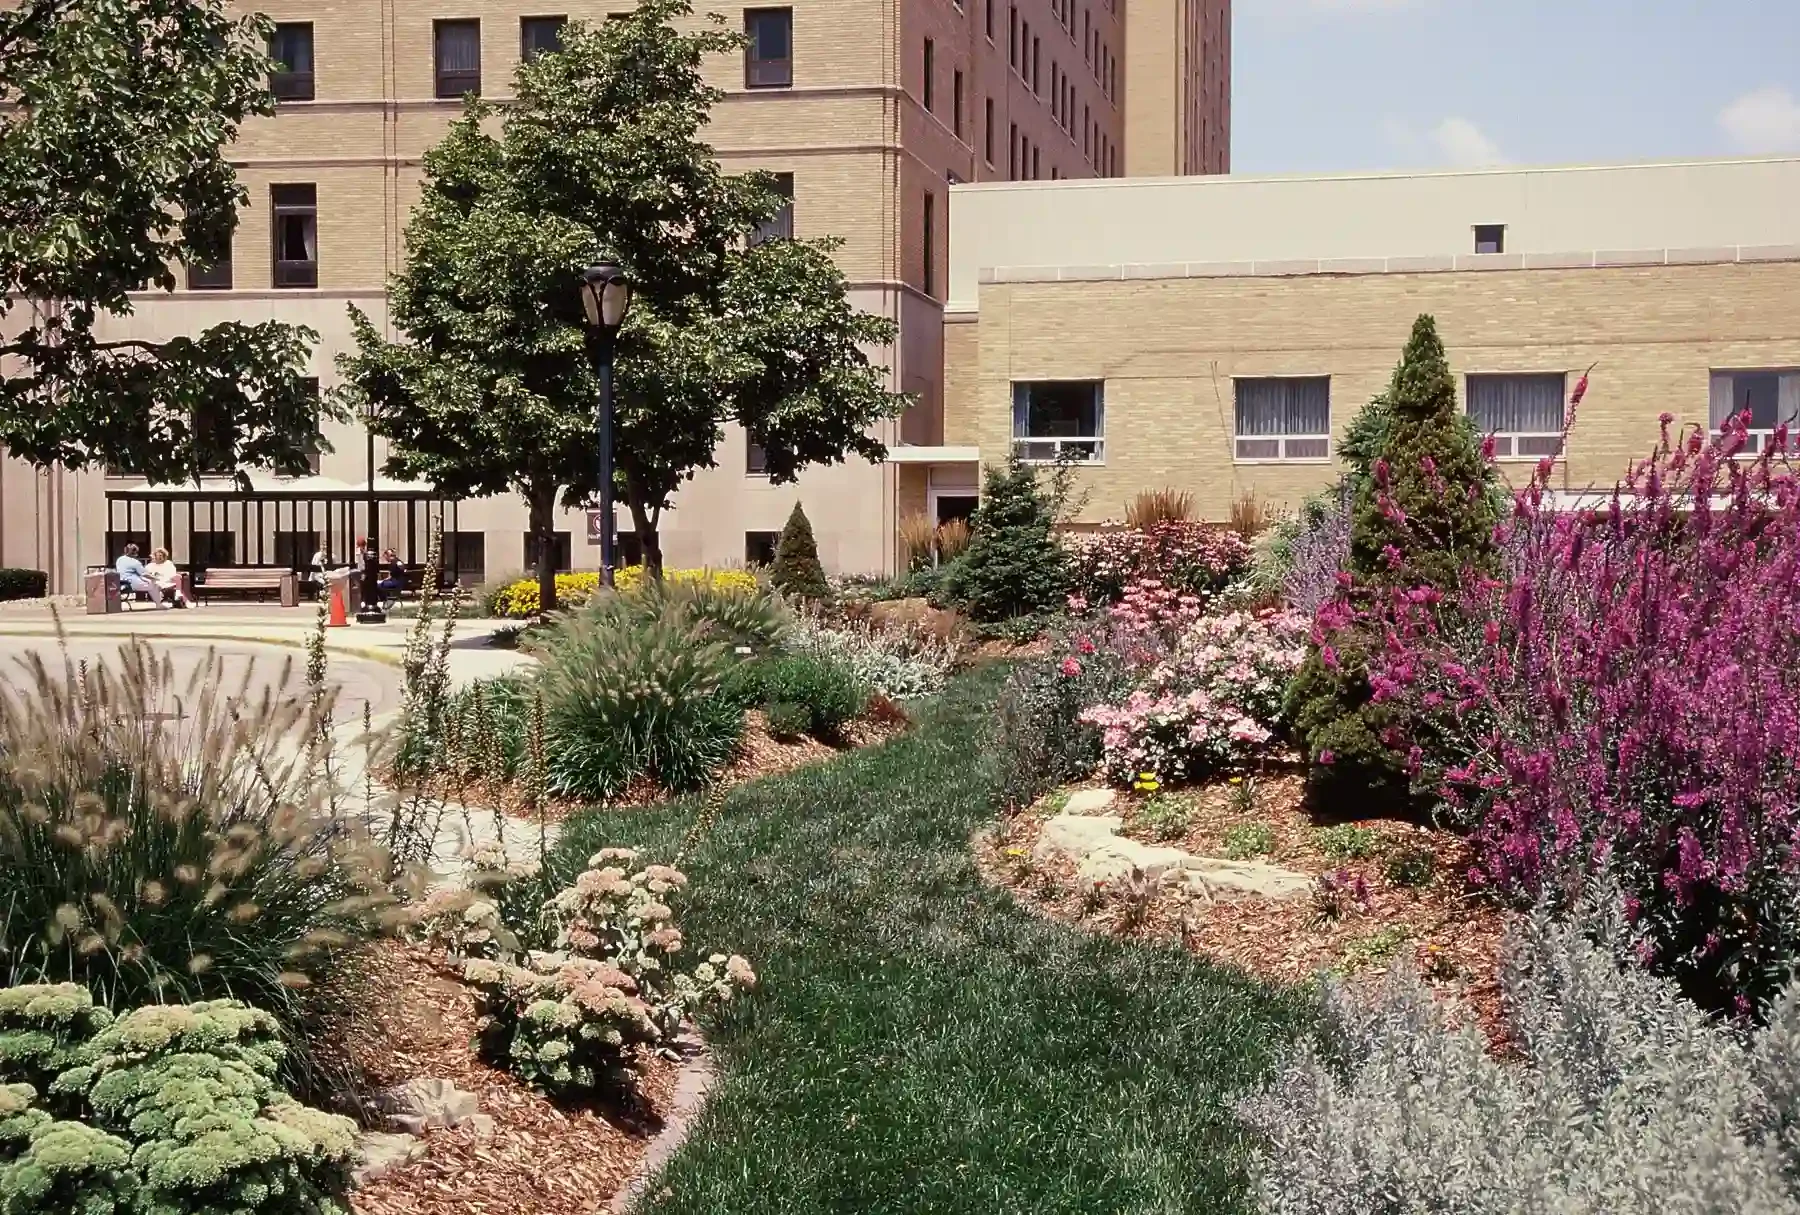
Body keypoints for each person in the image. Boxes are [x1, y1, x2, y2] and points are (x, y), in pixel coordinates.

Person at [113, 544, 165, 608]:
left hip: (121, 582)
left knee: (152, 585)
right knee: (155, 585)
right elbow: (145, 574)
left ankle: (158, 604)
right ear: (135, 552)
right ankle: (159, 604)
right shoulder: (135, 562)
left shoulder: (119, 559)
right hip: (132, 584)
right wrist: (157, 578)